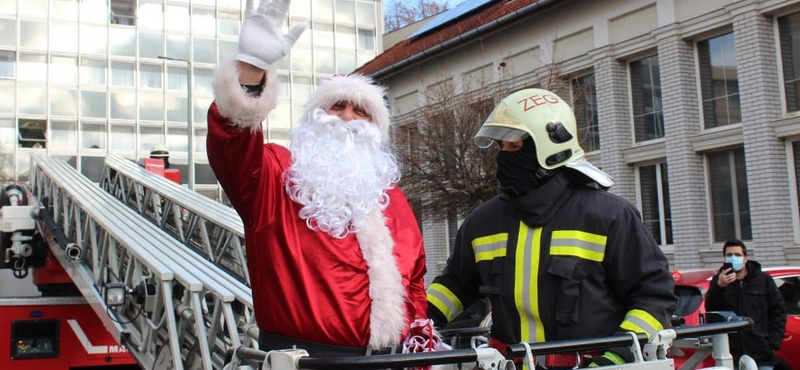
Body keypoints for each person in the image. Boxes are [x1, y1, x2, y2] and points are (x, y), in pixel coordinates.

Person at [205, 0, 428, 356]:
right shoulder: (277, 176)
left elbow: (414, 280)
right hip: (305, 361)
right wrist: (250, 70)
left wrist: (414, 332)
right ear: (313, 119)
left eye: (361, 111)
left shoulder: (391, 197)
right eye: (336, 106)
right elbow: (231, 144)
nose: (346, 117)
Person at [426, 88, 678, 368]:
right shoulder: (483, 221)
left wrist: (616, 358)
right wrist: (413, 323)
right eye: (502, 147)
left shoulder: (610, 216)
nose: (503, 155)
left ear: (549, 147)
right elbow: (456, 285)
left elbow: (654, 296)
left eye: (514, 145)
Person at [705, 240, 787, 370]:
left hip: (761, 353)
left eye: (737, 255)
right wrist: (719, 288)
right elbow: (711, 311)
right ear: (724, 258)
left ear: (745, 258)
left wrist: (773, 343)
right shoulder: (718, 281)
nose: (733, 258)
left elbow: (778, 311)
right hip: (732, 354)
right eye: (729, 255)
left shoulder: (763, 279)